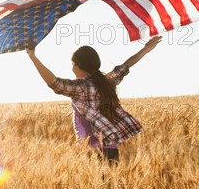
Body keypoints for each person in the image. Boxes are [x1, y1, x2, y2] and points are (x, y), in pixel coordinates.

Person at [26, 36, 162, 164]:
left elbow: (54, 83)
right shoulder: (107, 82)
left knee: (93, 188)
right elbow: (125, 66)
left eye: (73, 65)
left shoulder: (80, 87)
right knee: (109, 187)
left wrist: (33, 57)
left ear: (79, 65)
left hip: (90, 151)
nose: (72, 68)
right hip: (111, 149)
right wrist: (146, 49)